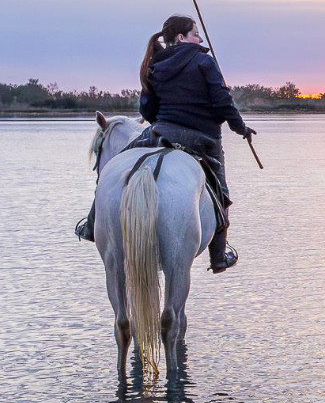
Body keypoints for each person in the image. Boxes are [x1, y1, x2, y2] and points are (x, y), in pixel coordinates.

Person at [76, 15, 256, 273]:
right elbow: (223, 103)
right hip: (203, 138)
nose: (201, 39)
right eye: (196, 34)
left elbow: (147, 110)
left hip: (159, 132)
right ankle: (218, 256)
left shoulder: (155, 65)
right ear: (182, 38)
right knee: (221, 194)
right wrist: (241, 128)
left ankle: (92, 224)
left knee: (114, 168)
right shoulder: (205, 62)